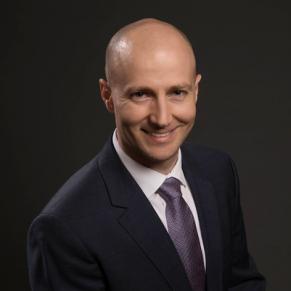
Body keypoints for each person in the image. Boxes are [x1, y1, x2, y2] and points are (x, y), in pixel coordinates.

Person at [27, 18, 266, 291]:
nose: (162, 118)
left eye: (177, 92)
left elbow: (241, 283)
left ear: (196, 90)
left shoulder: (219, 171)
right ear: (107, 95)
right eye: (141, 94)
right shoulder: (63, 228)